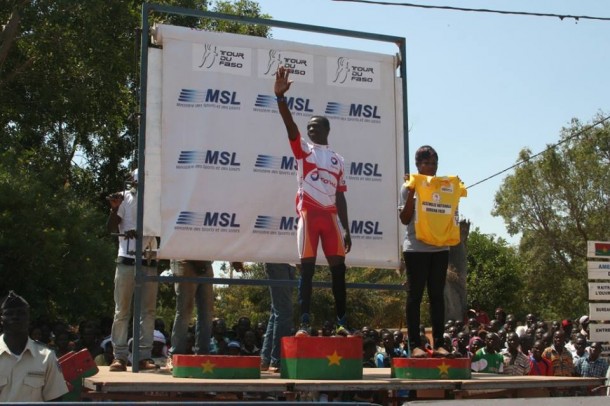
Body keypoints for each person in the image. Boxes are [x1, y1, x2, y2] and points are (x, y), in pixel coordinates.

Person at [274, 65, 352, 336]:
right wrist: (281, 99)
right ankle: (304, 324)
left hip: (330, 218)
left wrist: (347, 228)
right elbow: (290, 127)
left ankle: (342, 323)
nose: (310, 130)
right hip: (309, 215)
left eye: (316, 127)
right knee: (306, 271)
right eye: (309, 127)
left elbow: (340, 196)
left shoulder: (338, 159)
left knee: (338, 271)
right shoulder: (303, 151)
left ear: (326, 129)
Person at [399, 145, 466, 357]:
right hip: (416, 248)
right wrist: (411, 190)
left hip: (440, 247)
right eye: (426, 163)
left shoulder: (444, 186)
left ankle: (439, 344)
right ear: (418, 165)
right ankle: (414, 345)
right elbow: (404, 219)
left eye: (434, 163)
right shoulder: (409, 186)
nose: (431, 167)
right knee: (415, 296)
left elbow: (451, 213)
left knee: (437, 296)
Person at [107, 168, 159, 371]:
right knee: (122, 311)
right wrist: (113, 209)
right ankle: (119, 356)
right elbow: (110, 229)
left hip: (149, 260)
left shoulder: (157, 200)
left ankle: (143, 356)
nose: (137, 187)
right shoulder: (124, 198)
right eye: (136, 184)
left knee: (148, 311)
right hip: (126, 261)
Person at [0, 291, 68, 402]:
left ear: (29, 319)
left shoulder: (46, 357)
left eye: (21, 313)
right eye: (9, 313)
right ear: (1, 319)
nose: (15, 317)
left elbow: (55, 400)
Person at [169, 260, 215, 356]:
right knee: (185, 309)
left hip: (205, 262)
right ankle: (175, 355)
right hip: (184, 260)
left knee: (207, 311)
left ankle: (203, 355)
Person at [260, 263, 295, 373]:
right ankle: (276, 360)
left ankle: (266, 360)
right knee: (284, 311)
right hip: (277, 260)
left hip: (290, 261)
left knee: (277, 311)